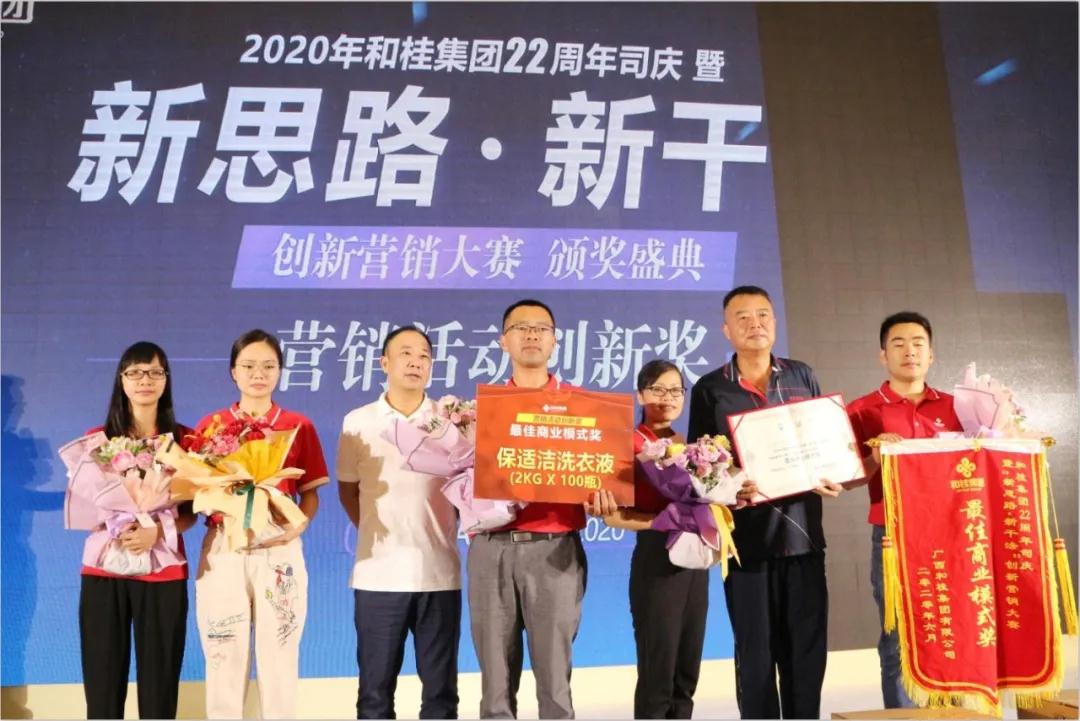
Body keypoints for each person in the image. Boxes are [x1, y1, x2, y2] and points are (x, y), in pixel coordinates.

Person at [687, 285, 842, 720]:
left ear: (774, 322)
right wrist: (731, 486)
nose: (754, 324)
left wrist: (833, 472)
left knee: (806, 657)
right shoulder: (711, 389)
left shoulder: (801, 376)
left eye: (762, 315)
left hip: (804, 539)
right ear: (726, 329)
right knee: (755, 659)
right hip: (747, 546)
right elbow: (699, 467)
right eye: (743, 317)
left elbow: (821, 441)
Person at [193, 329, 328, 719]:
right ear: (233, 372)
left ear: (280, 371)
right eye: (249, 366)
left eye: (269, 366)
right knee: (223, 651)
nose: (259, 374)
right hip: (224, 546)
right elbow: (196, 489)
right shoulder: (212, 425)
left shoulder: (298, 425)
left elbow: (310, 493)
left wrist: (297, 528)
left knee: (280, 651)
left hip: (278, 546)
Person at [468, 299, 586, 719]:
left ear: (554, 341)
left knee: (554, 683)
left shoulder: (583, 406)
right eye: (521, 327)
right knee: (495, 686)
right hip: (491, 548)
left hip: (554, 548)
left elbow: (603, 473)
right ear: (504, 341)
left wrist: (605, 494)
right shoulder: (480, 408)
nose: (532, 334)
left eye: (541, 328)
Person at [337, 326, 461, 719]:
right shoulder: (359, 421)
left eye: (424, 355)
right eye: (405, 353)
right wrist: (378, 533)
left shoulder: (450, 421)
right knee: (374, 696)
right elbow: (348, 491)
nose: (415, 362)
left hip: (439, 574)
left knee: (441, 696)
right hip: (378, 577)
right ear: (384, 363)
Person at [846, 311, 962, 708]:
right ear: (883, 355)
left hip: (953, 536)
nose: (909, 351)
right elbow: (847, 477)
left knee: (955, 629)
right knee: (898, 637)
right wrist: (875, 458)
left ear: (931, 354)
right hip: (893, 537)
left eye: (918, 344)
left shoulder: (959, 407)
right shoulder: (862, 410)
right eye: (898, 344)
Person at [584, 359, 708, 719]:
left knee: (686, 672)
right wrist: (661, 521)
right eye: (658, 389)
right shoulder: (629, 444)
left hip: (694, 564)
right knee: (658, 673)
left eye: (675, 391)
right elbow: (611, 514)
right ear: (640, 395)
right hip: (656, 561)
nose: (667, 398)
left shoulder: (690, 447)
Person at [79, 341, 194, 719]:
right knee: (102, 683)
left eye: (155, 372)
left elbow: (193, 511)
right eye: (135, 372)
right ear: (122, 380)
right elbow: (85, 505)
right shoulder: (97, 441)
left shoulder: (185, 441)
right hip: (104, 569)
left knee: (160, 685)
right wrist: (117, 523)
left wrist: (157, 532)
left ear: (166, 380)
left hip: (164, 572)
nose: (145, 380)